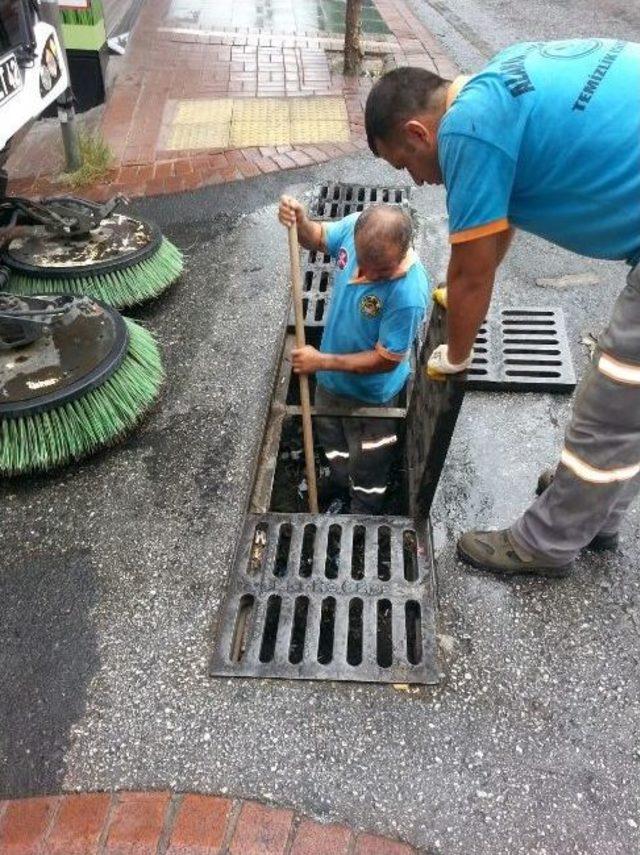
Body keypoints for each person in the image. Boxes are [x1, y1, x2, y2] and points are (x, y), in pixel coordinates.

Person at [364, 38, 640, 576]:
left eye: (408, 164)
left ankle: (547, 541)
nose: (419, 180)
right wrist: (460, 292)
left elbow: (470, 273)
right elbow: (494, 228)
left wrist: (457, 355)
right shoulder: (494, 83)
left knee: (611, 402)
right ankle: (592, 508)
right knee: (629, 400)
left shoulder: (468, 129)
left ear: (420, 133)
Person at [278, 196, 430, 514]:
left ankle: (365, 507)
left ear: (404, 252)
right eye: (364, 265)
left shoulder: (409, 294)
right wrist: (302, 221)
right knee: (332, 441)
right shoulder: (356, 227)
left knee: (370, 458)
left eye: (382, 272)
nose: (370, 277)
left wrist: (322, 361)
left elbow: (387, 359)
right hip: (330, 384)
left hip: (371, 398)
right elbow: (317, 237)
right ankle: (338, 482)